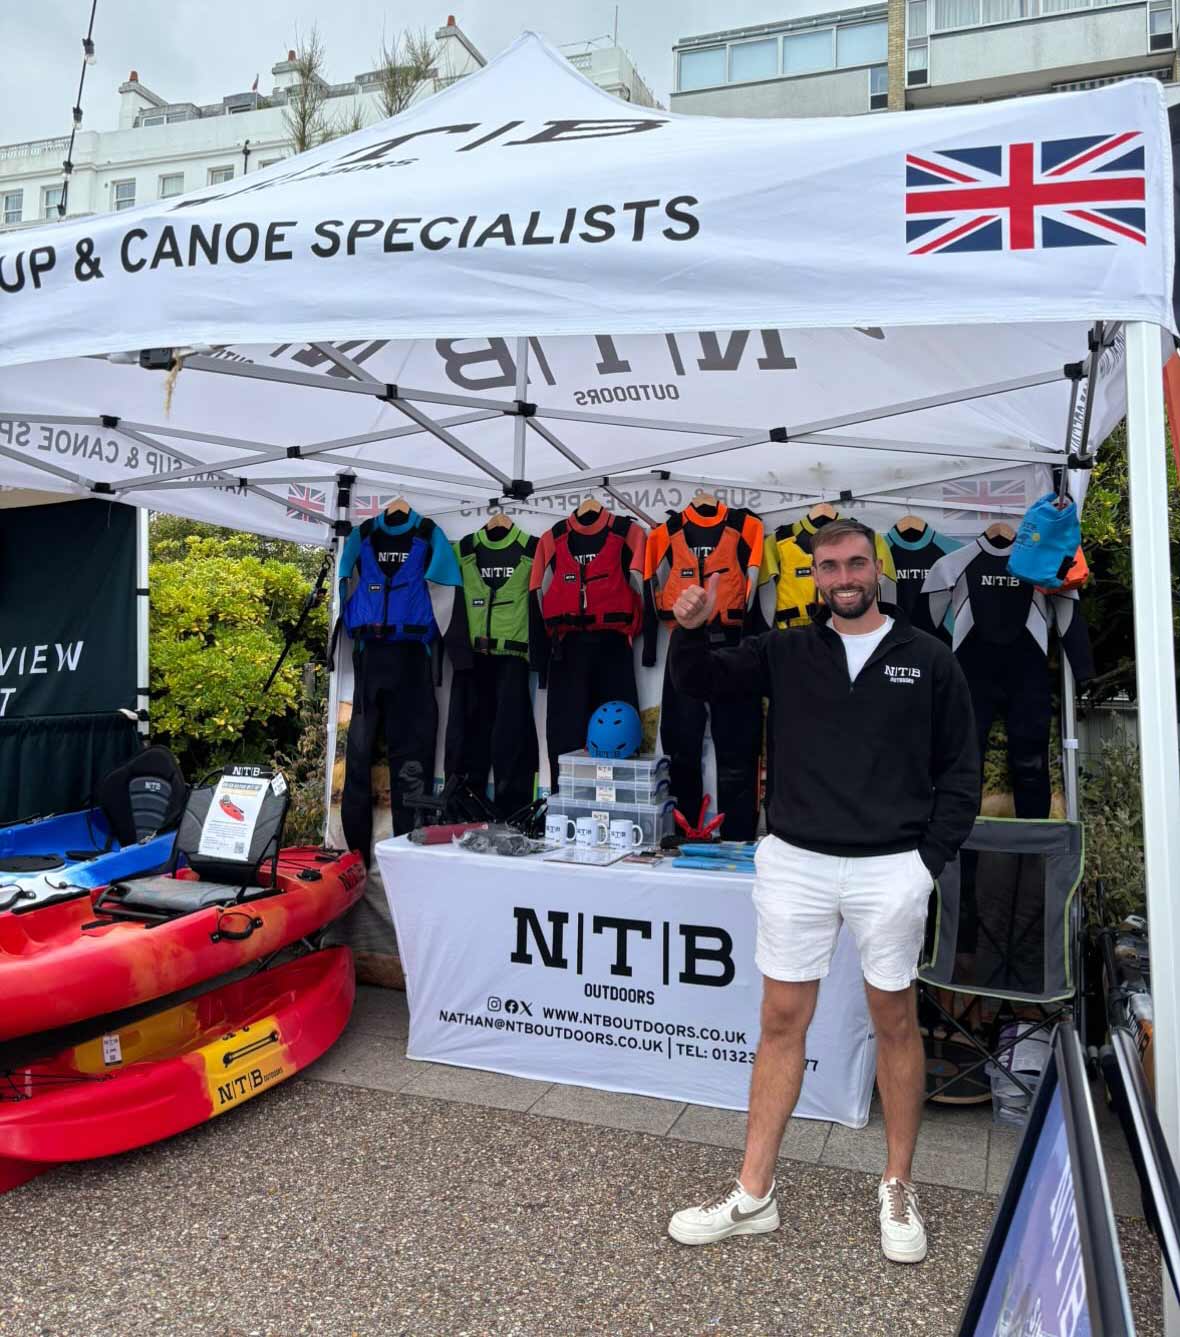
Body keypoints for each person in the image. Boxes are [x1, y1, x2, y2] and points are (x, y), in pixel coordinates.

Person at [665, 518, 979, 1264]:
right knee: (780, 1019)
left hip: (889, 869)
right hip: (797, 862)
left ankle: (898, 1183)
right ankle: (753, 1192)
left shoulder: (928, 659)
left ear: (879, 569)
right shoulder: (786, 649)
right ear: (813, 575)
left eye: (855, 563)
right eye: (829, 565)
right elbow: (701, 682)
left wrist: (923, 862)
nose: (843, 576)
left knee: (894, 1022)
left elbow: (961, 772)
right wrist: (691, 630)